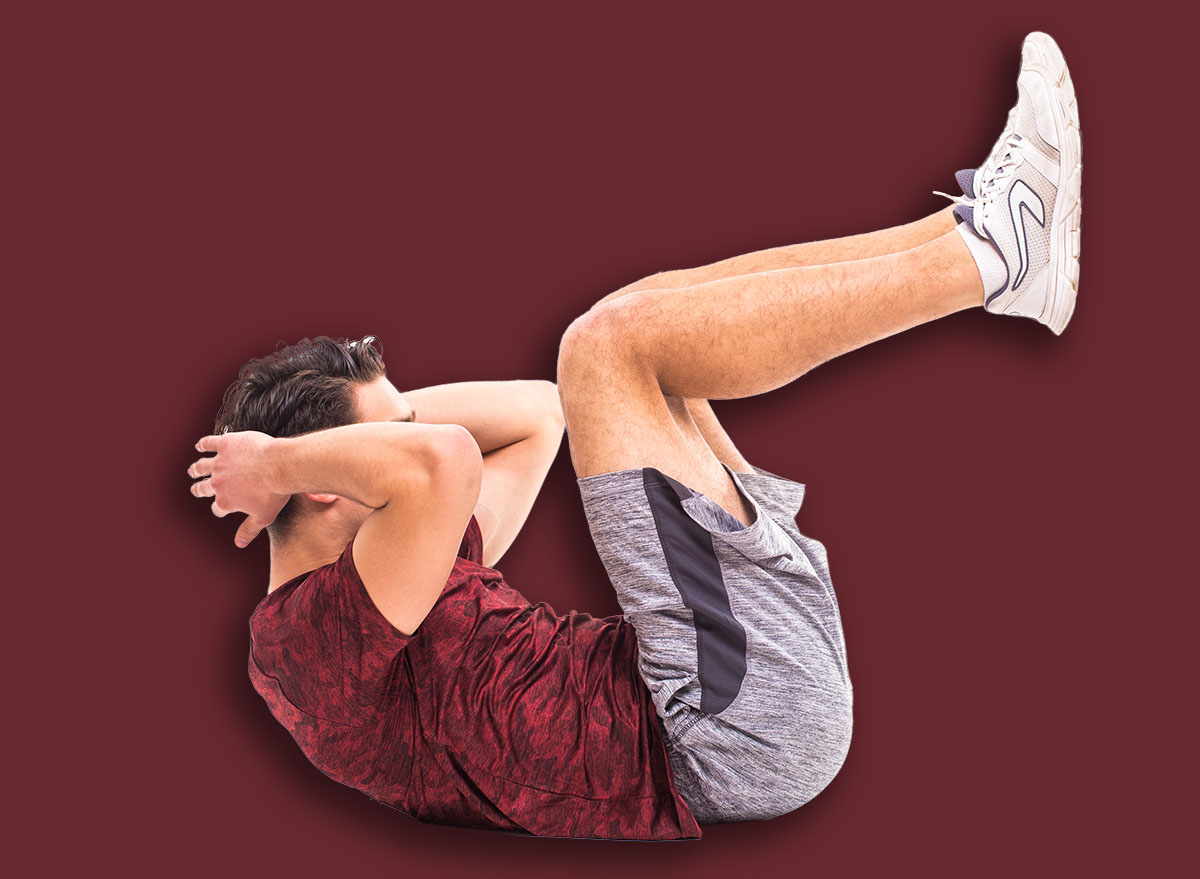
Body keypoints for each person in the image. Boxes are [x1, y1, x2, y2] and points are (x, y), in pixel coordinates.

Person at [189, 32, 1080, 839]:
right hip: (720, 730)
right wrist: (281, 457)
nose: (421, 433)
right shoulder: (306, 638)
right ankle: (991, 259)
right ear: (320, 490)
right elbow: (446, 458)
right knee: (605, 349)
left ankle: (968, 237)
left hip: (731, 684)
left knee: (634, 319)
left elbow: (539, 415)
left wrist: (368, 423)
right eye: (389, 440)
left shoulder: (403, 564)